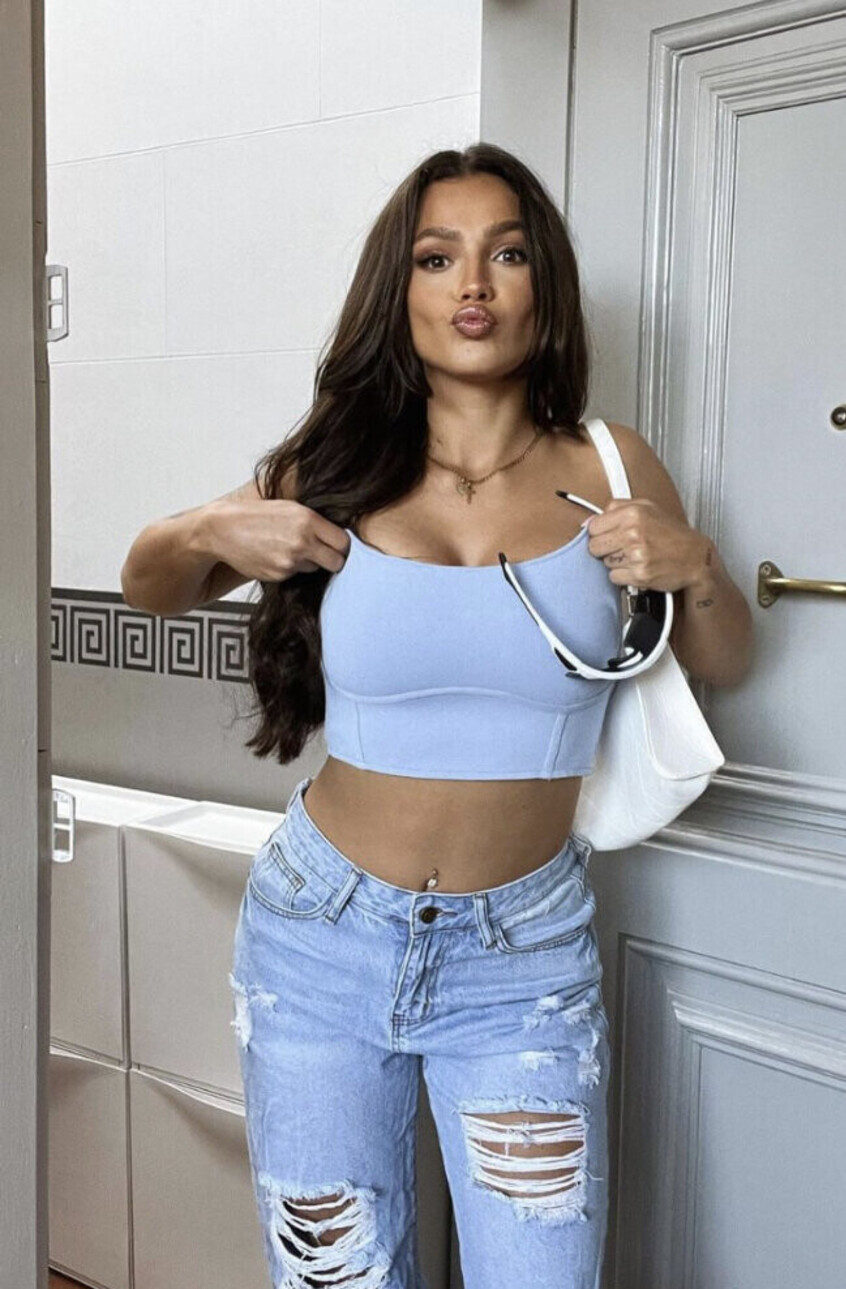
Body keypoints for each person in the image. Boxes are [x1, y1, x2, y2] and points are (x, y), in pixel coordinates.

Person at [120, 141, 752, 1289]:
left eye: (506, 253)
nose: (473, 283)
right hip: (317, 937)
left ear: (543, 284)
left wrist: (694, 565)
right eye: (436, 256)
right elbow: (148, 584)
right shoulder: (333, 464)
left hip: (523, 960)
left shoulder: (611, 462)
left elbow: (729, 661)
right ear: (398, 288)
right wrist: (212, 527)